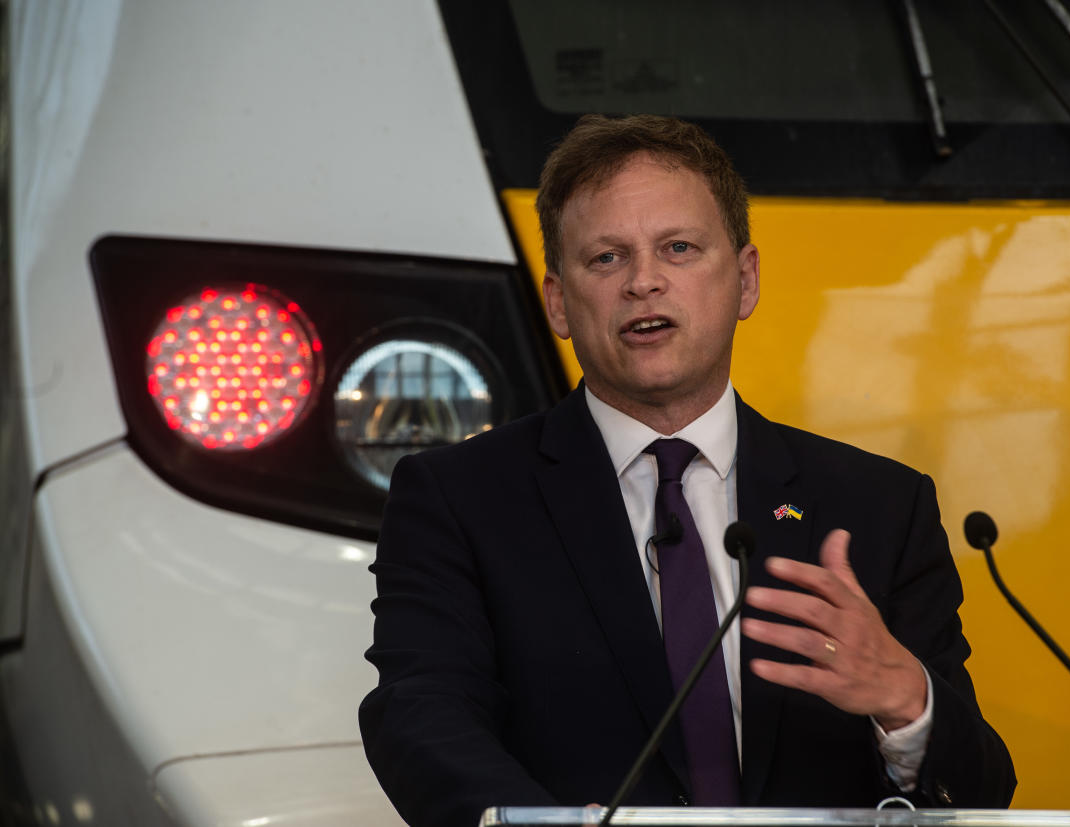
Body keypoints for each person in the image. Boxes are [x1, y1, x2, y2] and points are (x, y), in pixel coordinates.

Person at [360, 114, 1016, 827]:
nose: (644, 281)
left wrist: (906, 699)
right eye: (606, 258)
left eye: (678, 248)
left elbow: (981, 788)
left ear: (744, 280)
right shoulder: (460, 498)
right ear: (558, 302)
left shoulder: (878, 506)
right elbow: (420, 713)